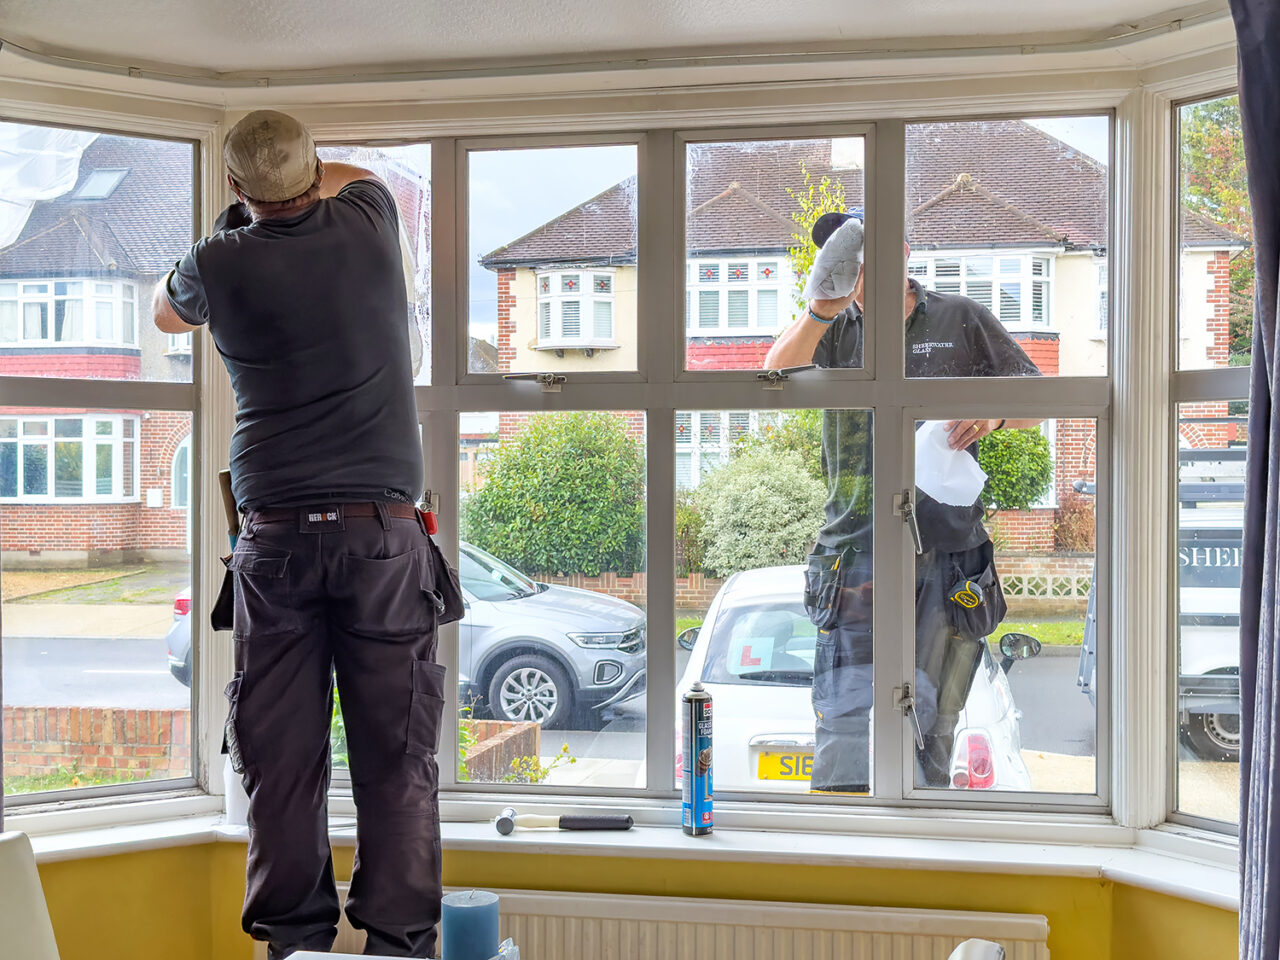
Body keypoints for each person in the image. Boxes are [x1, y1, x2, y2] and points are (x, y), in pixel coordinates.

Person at [153, 110, 457, 959]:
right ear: (315, 168)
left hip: (276, 540)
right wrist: (291, 179)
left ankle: (295, 947)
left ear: (233, 188)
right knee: (396, 761)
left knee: (282, 764)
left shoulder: (217, 260)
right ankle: (400, 945)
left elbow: (164, 318)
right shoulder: (370, 219)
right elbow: (344, 173)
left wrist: (232, 221)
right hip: (384, 539)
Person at [764, 211, 1042, 792]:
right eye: (846, 262)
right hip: (856, 548)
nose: (860, 271)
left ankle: (922, 838)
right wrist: (820, 308)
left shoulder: (960, 319)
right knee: (842, 719)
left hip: (946, 550)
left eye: (869, 255)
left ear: (905, 250)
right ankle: (842, 849)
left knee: (936, 721)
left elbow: (1038, 403)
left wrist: (993, 416)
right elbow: (772, 377)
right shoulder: (833, 330)